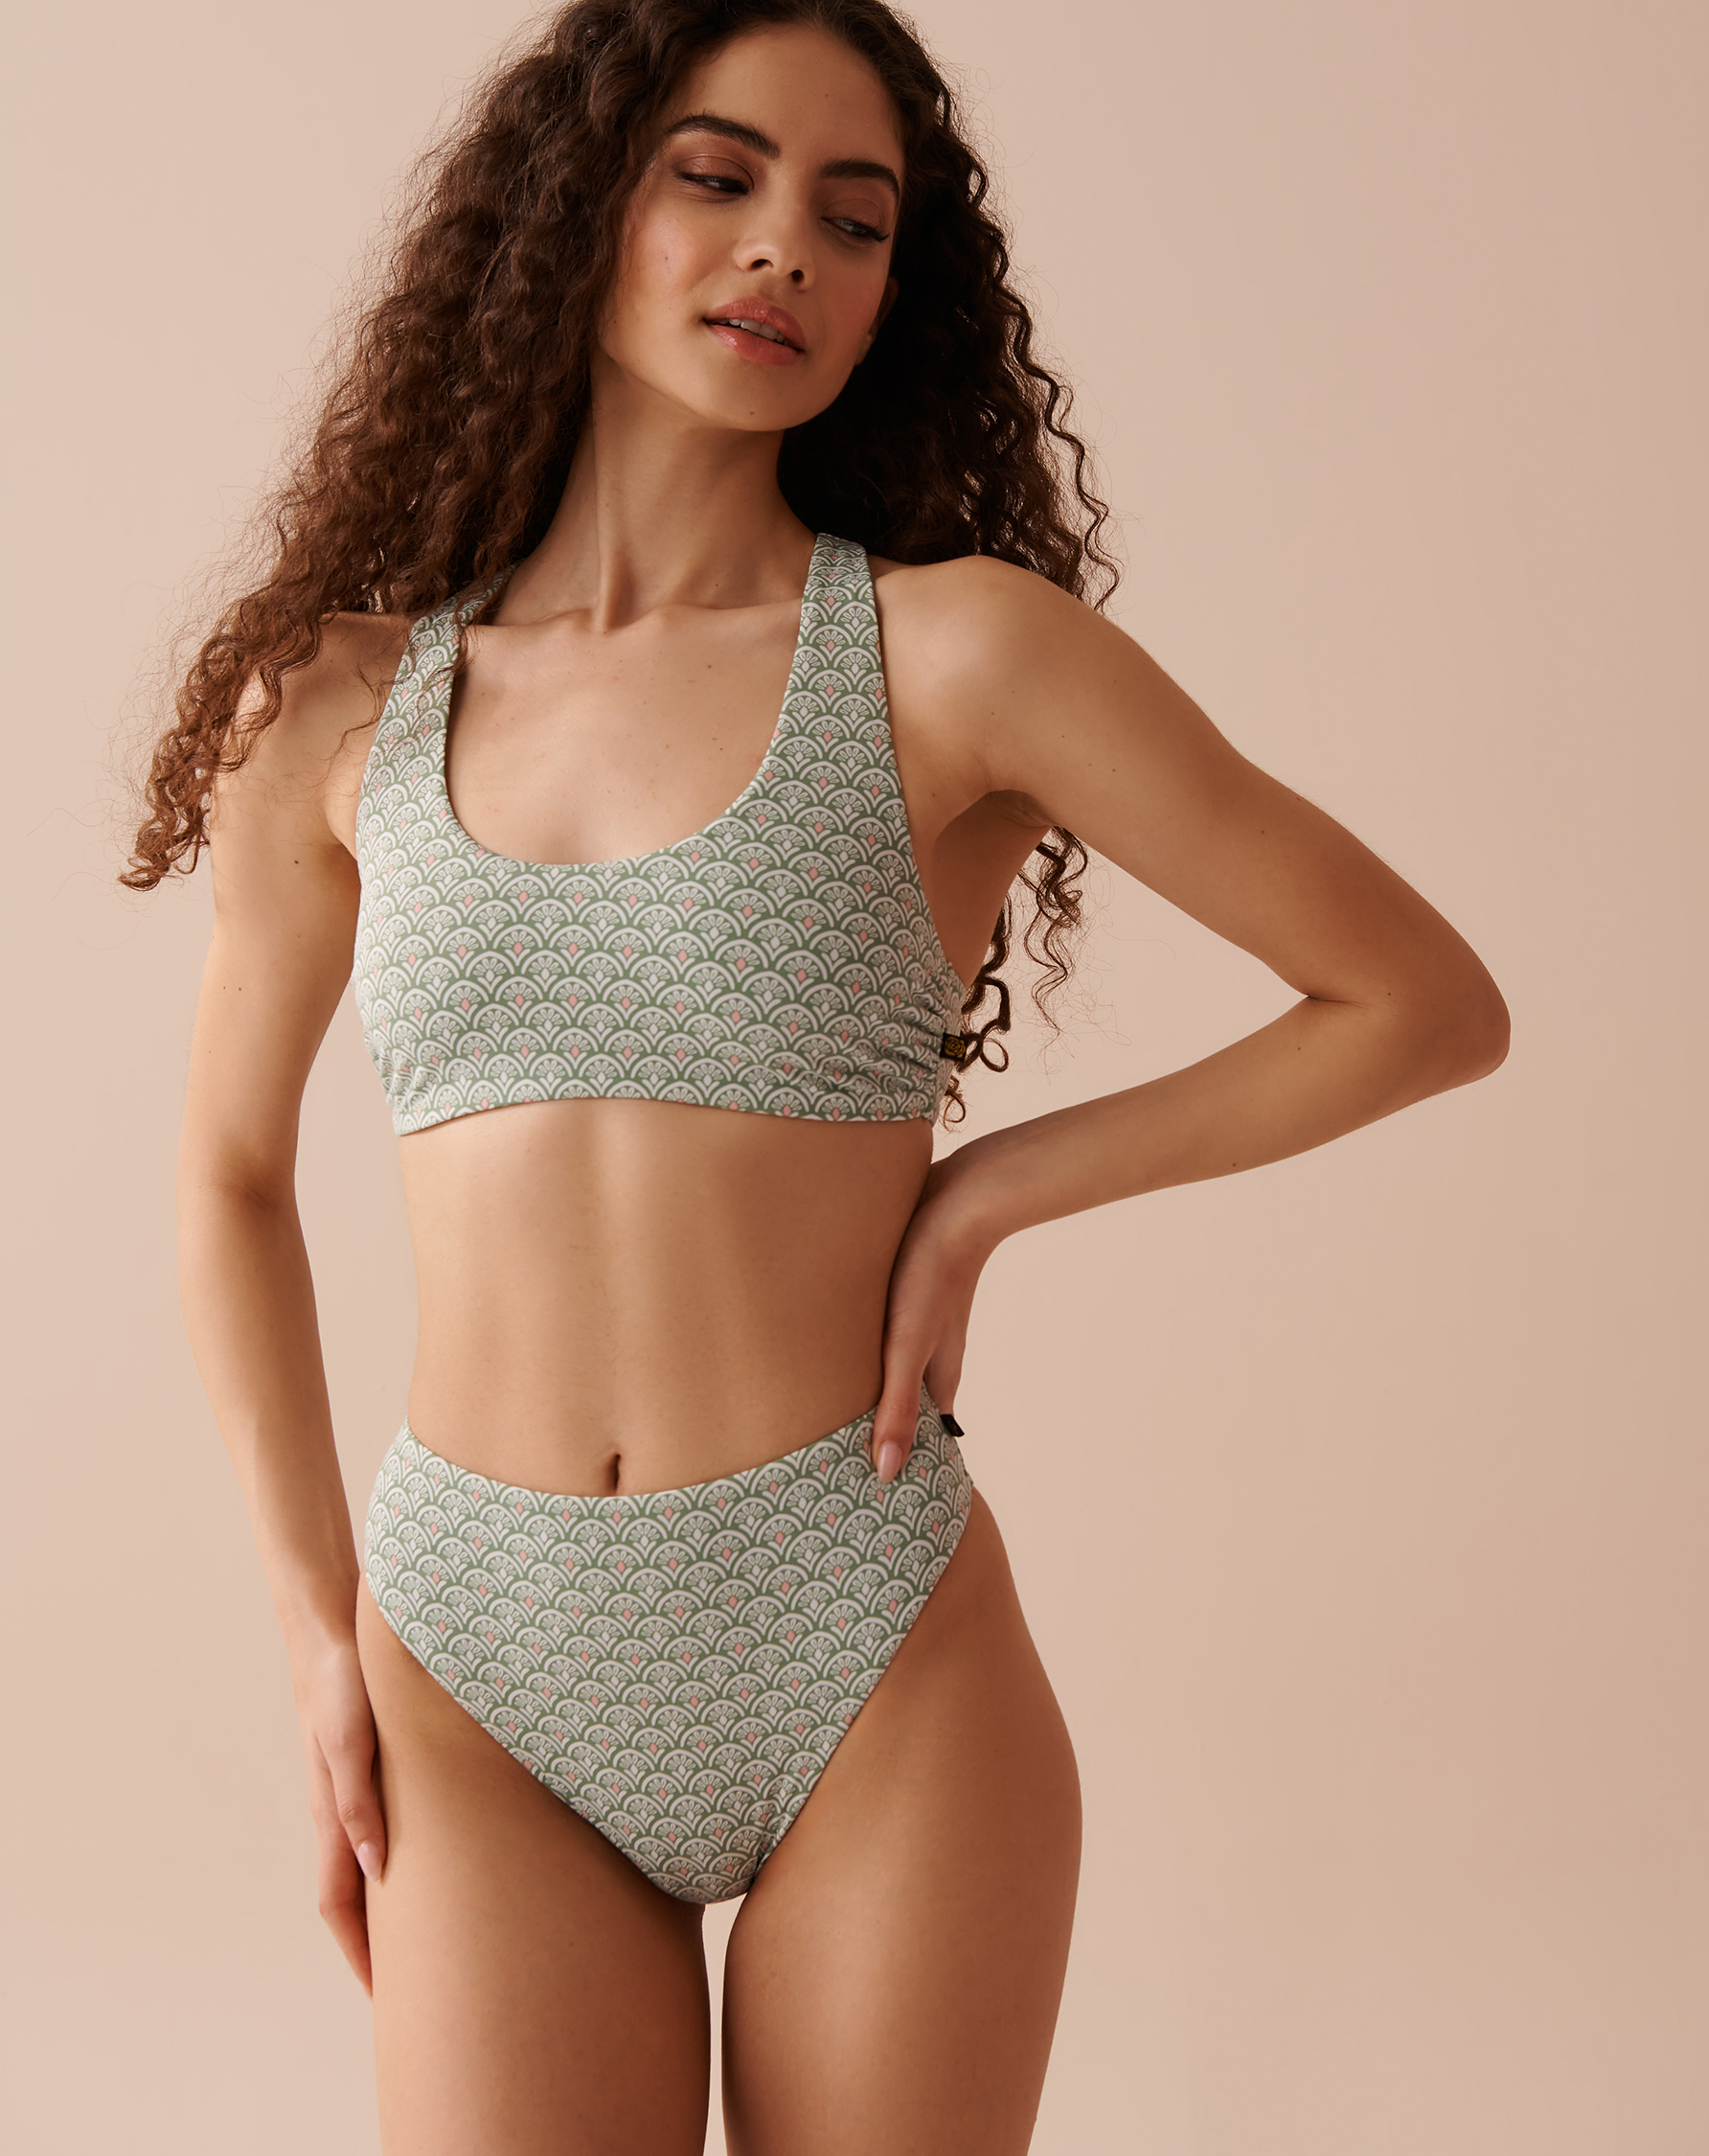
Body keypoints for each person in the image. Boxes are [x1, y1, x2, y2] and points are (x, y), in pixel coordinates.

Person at [126, 3, 1509, 2149]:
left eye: (853, 220)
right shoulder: (334, 708)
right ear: (578, 208)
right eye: (719, 174)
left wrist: (993, 1188)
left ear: (889, 296)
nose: (786, 244)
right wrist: (321, 1634)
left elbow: (1419, 1000)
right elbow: (227, 1178)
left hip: (858, 1633)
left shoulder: (958, 656)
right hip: (474, 1653)